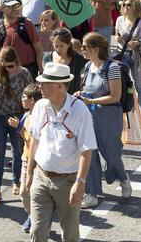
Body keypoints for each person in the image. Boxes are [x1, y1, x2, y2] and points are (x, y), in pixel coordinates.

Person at [24, 62, 97, 242]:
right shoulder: (40, 106)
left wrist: (79, 183)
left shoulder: (80, 111)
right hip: (41, 176)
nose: (40, 86)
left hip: (68, 181)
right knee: (37, 231)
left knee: (70, 233)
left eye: (45, 83)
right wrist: (29, 174)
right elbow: (35, 140)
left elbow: (86, 150)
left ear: (60, 85)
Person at [76, 32, 132, 208]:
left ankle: (123, 178)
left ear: (96, 48)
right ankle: (91, 194)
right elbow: (86, 90)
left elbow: (115, 97)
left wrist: (90, 100)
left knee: (111, 153)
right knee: (89, 153)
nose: (81, 50)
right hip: (89, 115)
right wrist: (81, 95)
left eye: (84, 46)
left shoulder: (111, 68)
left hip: (109, 116)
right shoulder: (87, 67)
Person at [0, 47, 32, 200]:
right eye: (5, 66)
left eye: (11, 66)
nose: (8, 69)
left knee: (18, 151)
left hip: (17, 116)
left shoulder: (24, 73)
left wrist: (31, 113)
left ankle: (16, 181)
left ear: (17, 62)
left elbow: (31, 94)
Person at [8, 83, 42, 233]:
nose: (21, 99)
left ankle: (38, 219)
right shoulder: (26, 116)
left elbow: (35, 139)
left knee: (36, 192)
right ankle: (32, 215)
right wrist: (19, 127)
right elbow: (26, 138)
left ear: (32, 100)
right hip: (26, 158)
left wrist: (21, 129)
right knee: (23, 192)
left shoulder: (41, 116)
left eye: (24, 97)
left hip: (39, 161)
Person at [0, 0, 43, 78]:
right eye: (10, 7)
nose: (15, 9)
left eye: (15, 5)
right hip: (7, 71)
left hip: (29, 70)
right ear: (2, 8)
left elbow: (39, 49)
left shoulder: (27, 24)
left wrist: (41, 70)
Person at [115, 0, 141, 114]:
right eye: (124, 5)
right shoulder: (120, 19)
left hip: (136, 56)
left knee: (137, 82)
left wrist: (138, 42)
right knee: (123, 81)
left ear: (135, 7)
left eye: (129, 5)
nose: (125, 7)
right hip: (122, 54)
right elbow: (117, 35)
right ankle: (124, 104)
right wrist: (117, 38)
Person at [43, 28, 88, 95]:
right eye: (56, 46)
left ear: (69, 44)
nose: (58, 49)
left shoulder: (78, 59)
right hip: (52, 96)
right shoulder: (47, 58)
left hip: (72, 98)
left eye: (61, 46)